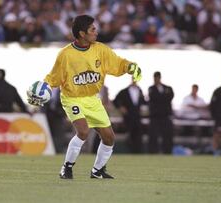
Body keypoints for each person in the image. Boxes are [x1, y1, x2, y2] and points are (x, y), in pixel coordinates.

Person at [27, 15, 142, 179]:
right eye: (92, 29)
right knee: (83, 131)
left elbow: (117, 63)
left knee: (109, 137)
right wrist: (42, 90)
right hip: (72, 98)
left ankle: (97, 171)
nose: (96, 32)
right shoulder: (66, 55)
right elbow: (54, 78)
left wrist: (131, 67)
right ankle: (66, 168)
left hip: (92, 99)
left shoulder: (100, 49)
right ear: (82, 33)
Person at [113, 79, 146, 153]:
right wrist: (120, 107)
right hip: (128, 117)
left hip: (137, 117)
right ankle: (129, 152)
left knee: (138, 135)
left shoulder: (140, 90)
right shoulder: (124, 91)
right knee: (129, 135)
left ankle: (138, 152)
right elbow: (115, 101)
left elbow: (143, 102)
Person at [148, 71, 174, 154]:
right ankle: (153, 152)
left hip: (165, 115)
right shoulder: (151, 88)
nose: (156, 79)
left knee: (167, 135)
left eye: (157, 77)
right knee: (153, 136)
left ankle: (167, 152)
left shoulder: (168, 88)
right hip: (155, 116)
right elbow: (154, 98)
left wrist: (161, 98)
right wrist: (164, 97)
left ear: (160, 78)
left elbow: (170, 96)